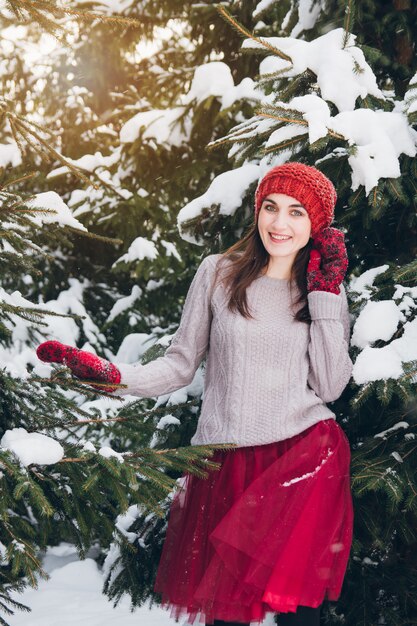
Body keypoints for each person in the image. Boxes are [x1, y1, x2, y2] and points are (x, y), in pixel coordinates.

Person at [36, 162, 354, 626]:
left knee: (296, 615)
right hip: (225, 463)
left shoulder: (322, 293)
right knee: (225, 614)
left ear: (316, 226)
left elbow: (329, 385)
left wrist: (326, 294)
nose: (279, 224)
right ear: (257, 211)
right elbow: (179, 365)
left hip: (298, 460)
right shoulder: (218, 274)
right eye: (270, 208)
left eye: (296, 213)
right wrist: (110, 374)